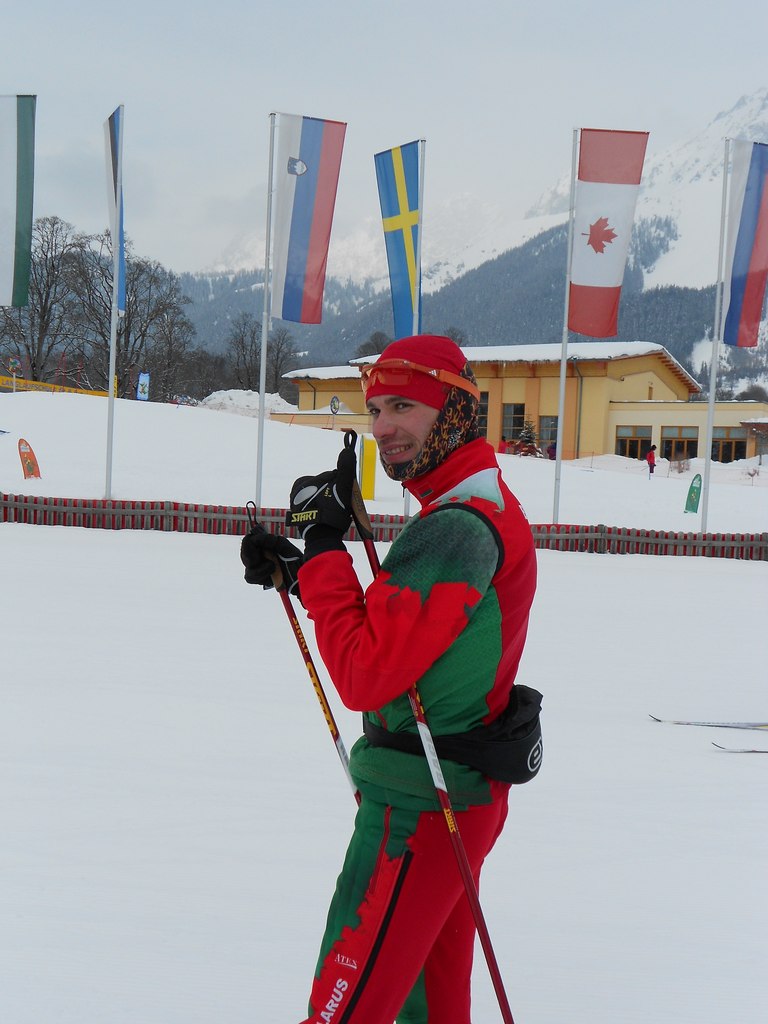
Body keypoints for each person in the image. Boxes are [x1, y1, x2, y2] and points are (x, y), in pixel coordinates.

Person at [240, 335, 540, 1024]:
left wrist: (321, 550)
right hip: (451, 799)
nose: (382, 428)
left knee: (345, 1011)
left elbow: (365, 674)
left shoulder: (456, 529)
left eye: (403, 406)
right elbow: (407, 637)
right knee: (427, 1009)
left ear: (454, 412)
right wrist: (302, 573)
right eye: (375, 409)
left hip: (419, 809)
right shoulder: (468, 506)